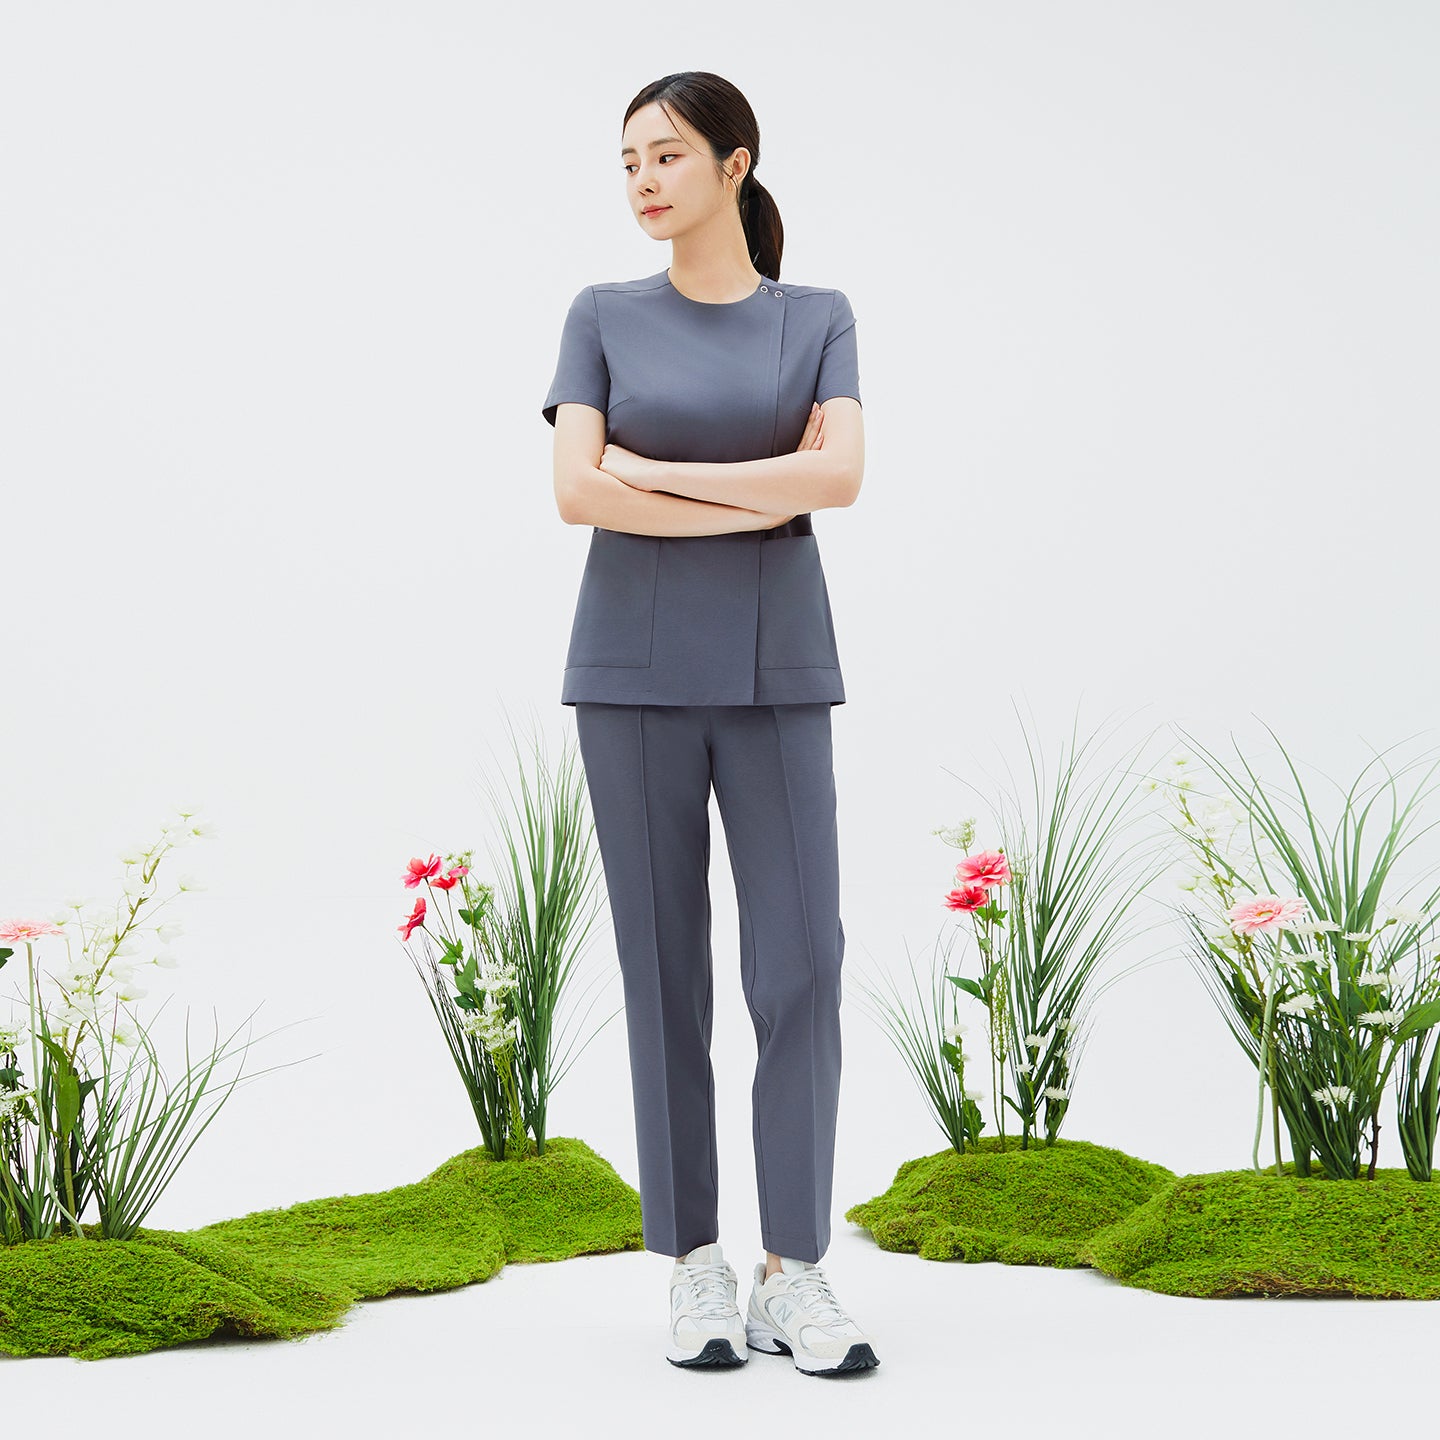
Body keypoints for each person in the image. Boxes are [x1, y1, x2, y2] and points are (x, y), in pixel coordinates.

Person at [541, 71, 878, 1378]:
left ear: (736, 165)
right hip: (627, 675)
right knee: (664, 974)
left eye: (667, 153)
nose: (642, 177)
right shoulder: (601, 315)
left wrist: (657, 472)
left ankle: (797, 1267)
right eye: (627, 157)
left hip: (781, 671)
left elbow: (842, 475)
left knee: (801, 967)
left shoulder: (819, 316)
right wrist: (762, 493)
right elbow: (575, 494)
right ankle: (695, 1264)